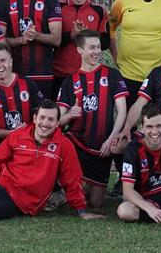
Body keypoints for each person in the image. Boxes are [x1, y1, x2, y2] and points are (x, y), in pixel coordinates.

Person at [57, 30, 127, 207]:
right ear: (79, 50)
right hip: (78, 144)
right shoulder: (70, 82)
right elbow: (58, 121)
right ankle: (57, 188)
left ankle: (79, 189)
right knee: (61, 142)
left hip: (102, 147)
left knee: (95, 203)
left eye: (98, 47)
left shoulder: (112, 75)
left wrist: (110, 139)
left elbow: (122, 111)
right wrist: (69, 115)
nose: (96, 51)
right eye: (91, 48)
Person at [0, 0, 62, 97]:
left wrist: (35, 35)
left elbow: (56, 40)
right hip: (14, 75)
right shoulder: (4, 2)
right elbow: (0, 42)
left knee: (44, 117)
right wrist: (21, 40)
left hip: (44, 74)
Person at [0, 42, 44, 166]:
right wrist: (9, 134)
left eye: (3, 60)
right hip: (0, 142)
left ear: (10, 61)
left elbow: (43, 114)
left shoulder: (27, 83)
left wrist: (28, 133)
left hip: (27, 138)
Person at [52, 0, 110, 99]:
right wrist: (71, 36)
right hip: (60, 74)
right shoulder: (57, 7)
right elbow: (51, 40)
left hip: (88, 74)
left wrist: (86, 35)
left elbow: (106, 43)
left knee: (86, 118)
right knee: (57, 117)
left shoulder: (99, 10)